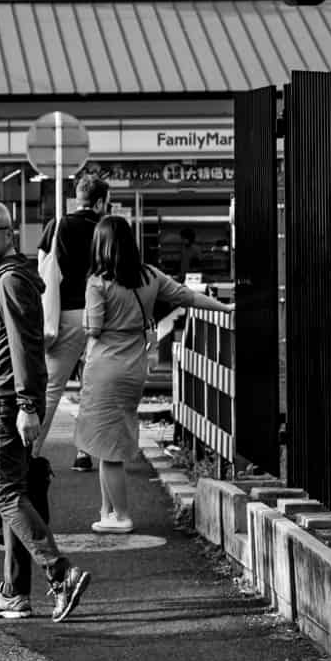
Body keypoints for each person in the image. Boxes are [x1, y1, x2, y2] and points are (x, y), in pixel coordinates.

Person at [0, 197, 89, 624]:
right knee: (13, 493)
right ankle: (14, 592)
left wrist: (28, 406)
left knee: (5, 493)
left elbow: (26, 347)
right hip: (0, 398)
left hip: (6, 401)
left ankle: (60, 573)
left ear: (8, 234)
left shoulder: (12, 282)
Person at [78, 214, 227, 532]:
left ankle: (121, 515)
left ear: (100, 245)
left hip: (105, 366)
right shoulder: (150, 276)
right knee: (110, 444)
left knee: (109, 450)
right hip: (134, 366)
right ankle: (107, 512)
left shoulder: (97, 283)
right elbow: (187, 296)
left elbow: (93, 328)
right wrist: (225, 308)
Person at [35, 174, 110, 474]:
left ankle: (30, 453)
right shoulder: (106, 230)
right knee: (93, 388)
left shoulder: (58, 225)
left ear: (77, 197)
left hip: (64, 315)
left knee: (51, 388)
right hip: (100, 316)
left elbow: (42, 264)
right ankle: (84, 452)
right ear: (101, 202)